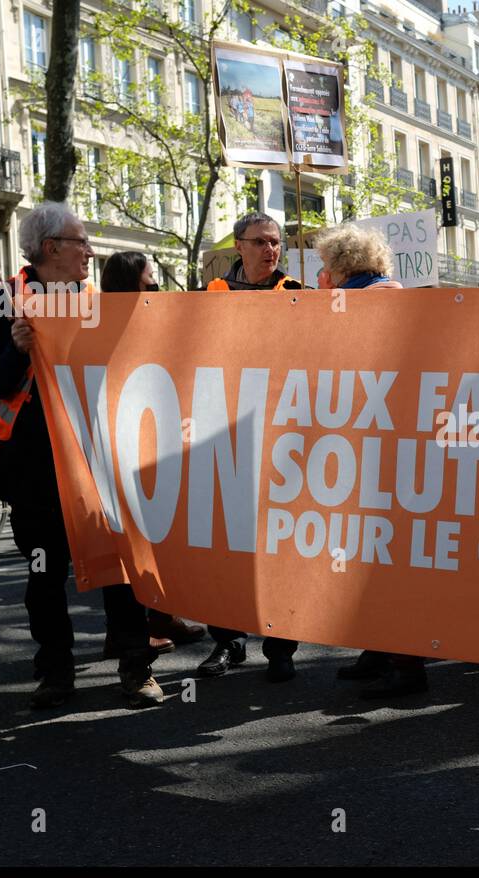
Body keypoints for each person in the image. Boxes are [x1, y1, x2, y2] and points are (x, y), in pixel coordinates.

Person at [0, 201, 163, 709]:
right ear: (51, 248)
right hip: (35, 466)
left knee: (120, 565)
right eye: (81, 242)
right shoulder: (6, 301)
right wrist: (15, 347)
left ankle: (136, 667)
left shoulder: (96, 300)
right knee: (43, 571)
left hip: (100, 458)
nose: (90, 252)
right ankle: (55, 671)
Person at [314, 225, 429, 699]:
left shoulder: (351, 307)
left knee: (381, 558)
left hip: (371, 449)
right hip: (399, 449)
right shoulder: (400, 299)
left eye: (325, 266)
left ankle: (405, 664)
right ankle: (383, 651)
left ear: (340, 268)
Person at [201, 213, 301, 682]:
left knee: (282, 549)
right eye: (260, 242)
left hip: (283, 441)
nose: (271, 250)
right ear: (238, 247)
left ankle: (282, 647)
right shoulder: (212, 296)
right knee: (227, 549)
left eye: (276, 242)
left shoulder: (299, 293)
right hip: (228, 438)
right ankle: (228, 642)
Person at [97, 250, 206, 657]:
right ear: (129, 286)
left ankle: (161, 617)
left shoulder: (155, 321)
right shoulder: (99, 326)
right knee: (124, 548)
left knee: (163, 542)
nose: (157, 289)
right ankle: (127, 632)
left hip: (157, 448)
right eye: (150, 283)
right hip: (121, 453)